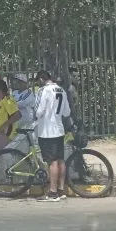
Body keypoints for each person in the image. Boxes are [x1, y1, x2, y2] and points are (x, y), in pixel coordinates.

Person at [33, 70, 70, 202]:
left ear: (41, 79)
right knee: (60, 160)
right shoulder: (61, 90)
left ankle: (53, 193)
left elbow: (39, 111)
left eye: (38, 81)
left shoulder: (43, 90)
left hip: (47, 131)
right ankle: (61, 190)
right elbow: (66, 112)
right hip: (59, 129)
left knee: (52, 161)